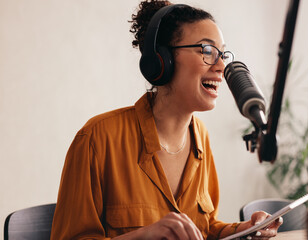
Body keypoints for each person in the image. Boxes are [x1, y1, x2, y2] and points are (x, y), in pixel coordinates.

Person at [50, 0, 282, 239]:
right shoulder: (97, 139)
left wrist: (244, 230)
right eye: (207, 51)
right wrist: (144, 236)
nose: (221, 66)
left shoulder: (199, 136)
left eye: (223, 54)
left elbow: (205, 228)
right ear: (162, 61)